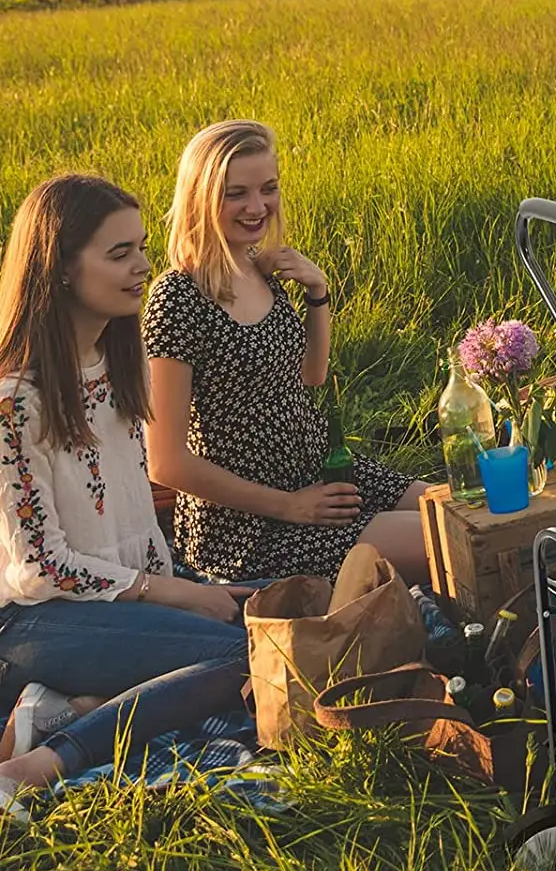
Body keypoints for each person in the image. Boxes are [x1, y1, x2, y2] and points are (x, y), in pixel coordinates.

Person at [0, 176, 251, 821]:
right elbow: (41, 567)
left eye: (140, 247)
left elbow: (134, 513)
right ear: (57, 268)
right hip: (34, 619)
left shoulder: (118, 364)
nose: (143, 267)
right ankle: (47, 760)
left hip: (123, 597)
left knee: (280, 625)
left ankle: (73, 706)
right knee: (240, 657)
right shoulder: (13, 400)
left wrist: (186, 584)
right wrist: (176, 594)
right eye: (119, 254)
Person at [143, 121, 428, 583]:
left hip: (321, 474)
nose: (257, 207)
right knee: (444, 540)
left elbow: (310, 377)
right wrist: (291, 506)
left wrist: (318, 292)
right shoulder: (178, 299)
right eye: (237, 193)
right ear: (201, 197)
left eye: (268, 189)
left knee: (462, 505)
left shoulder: (260, 270)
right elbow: (166, 462)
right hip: (250, 528)